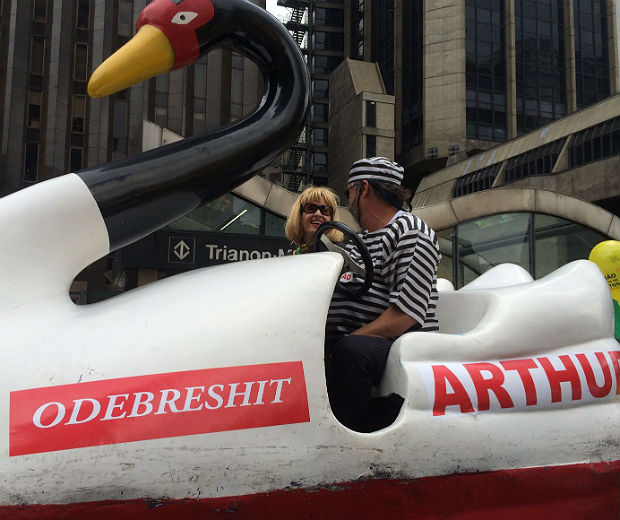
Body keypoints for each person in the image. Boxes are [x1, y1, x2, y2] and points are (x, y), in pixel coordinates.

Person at [326, 157, 441, 432]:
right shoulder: (359, 240)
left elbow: (405, 316)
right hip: (356, 342)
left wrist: (348, 338)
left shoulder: (412, 232)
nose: (348, 199)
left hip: (398, 345)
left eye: (349, 191)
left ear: (364, 189)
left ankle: (342, 438)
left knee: (351, 351)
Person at [285, 186, 343, 254]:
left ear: (332, 219)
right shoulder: (291, 257)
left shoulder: (343, 255)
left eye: (325, 210)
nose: (318, 214)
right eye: (310, 208)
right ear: (300, 215)